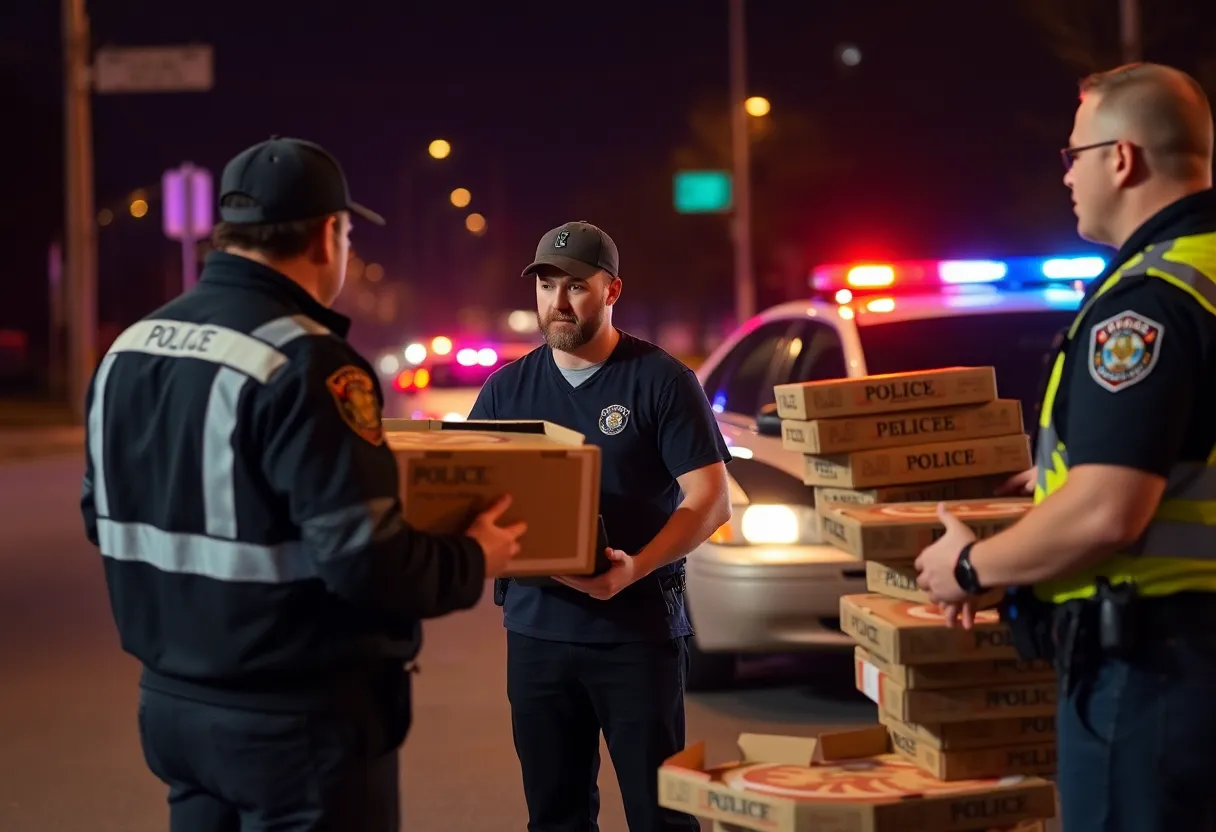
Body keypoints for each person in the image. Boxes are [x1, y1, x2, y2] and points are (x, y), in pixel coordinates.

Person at [80, 136, 527, 832]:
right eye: (347, 232)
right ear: (327, 236)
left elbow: (98, 514)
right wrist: (474, 559)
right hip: (296, 725)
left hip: (171, 712)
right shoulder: (307, 361)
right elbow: (363, 559)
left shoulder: (128, 350)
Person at [914, 63, 1216, 831]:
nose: (1066, 176)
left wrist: (971, 567)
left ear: (1122, 157)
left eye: (1073, 154)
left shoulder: (1147, 304)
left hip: (1156, 673)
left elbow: (1109, 512)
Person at [468, 221, 731, 831]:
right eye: (546, 286)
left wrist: (636, 567)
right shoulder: (507, 389)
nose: (558, 303)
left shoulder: (662, 381)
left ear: (613, 291)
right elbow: (472, 497)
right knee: (555, 816)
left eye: (576, 287)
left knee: (662, 815)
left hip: (637, 634)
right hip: (537, 634)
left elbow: (710, 501)